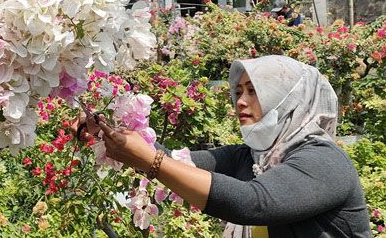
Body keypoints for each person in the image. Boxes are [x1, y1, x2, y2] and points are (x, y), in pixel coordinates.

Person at [77, 55, 370, 237]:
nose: (240, 101)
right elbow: (179, 163)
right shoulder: (251, 158)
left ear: (288, 101)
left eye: (254, 92)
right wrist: (108, 132)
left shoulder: (324, 162)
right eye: (239, 91)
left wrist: (152, 162)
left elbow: (252, 203)